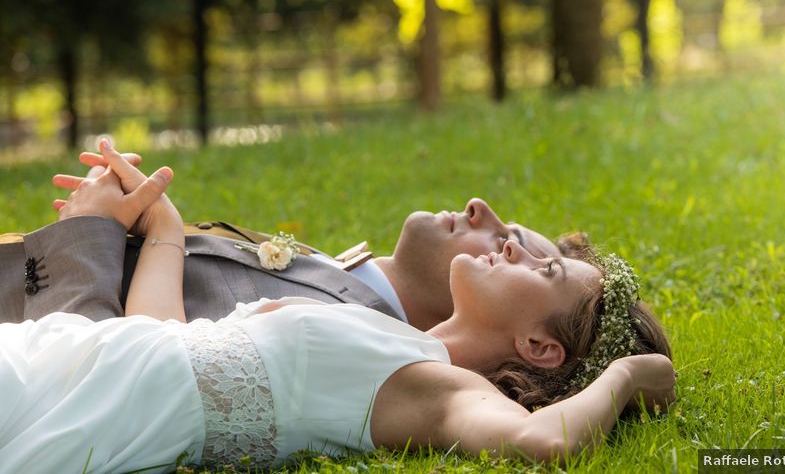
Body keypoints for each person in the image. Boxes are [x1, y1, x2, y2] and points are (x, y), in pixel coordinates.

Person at [0, 153, 676, 472]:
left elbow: (543, 444)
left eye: (543, 267)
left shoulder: (435, 384)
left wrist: (626, 380)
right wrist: (165, 230)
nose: (513, 248)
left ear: (540, 348)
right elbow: (163, 342)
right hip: (54, 357)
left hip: (65, 418)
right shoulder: (379, 327)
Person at [0, 141, 569, 330]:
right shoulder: (341, 280)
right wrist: (130, 218)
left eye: (506, 244)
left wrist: (85, 235)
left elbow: (125, 371)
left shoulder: (332, 326)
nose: (482, 207)